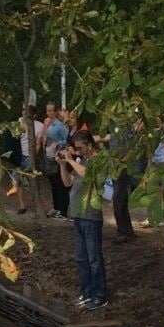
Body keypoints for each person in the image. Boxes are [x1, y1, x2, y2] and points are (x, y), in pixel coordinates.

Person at [60, 131, 109, 310]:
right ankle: (86, 292)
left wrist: (71, 160)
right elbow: (68, 182)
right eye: (75, 148)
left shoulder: (98, 161)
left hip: (91, 215)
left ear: (89, 144)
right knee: (81, 257)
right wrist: (63, 165)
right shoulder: (82, 161)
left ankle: (100, 295)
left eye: (80, 147)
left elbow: (90, 176)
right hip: (78, 214)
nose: (77, 151)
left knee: (94, 257)